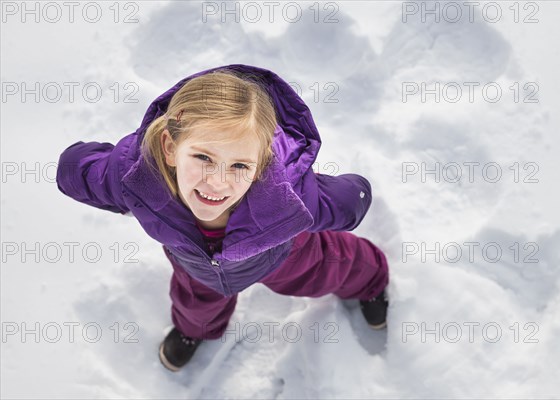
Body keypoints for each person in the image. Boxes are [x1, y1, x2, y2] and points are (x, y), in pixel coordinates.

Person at [56, 64, 389, 372]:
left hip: (281, 255)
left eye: (239, 166)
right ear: (170, 147)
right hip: (196, 267)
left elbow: (347, 199)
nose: (217, 181)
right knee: (196, 306)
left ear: (261, 164)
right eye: (203, 157)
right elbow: (79, 170)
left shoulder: (288, 197)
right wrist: (83, 178)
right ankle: (195, 331)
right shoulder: (137, 178)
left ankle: (371, 283)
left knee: (333, 264)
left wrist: (354, 199)